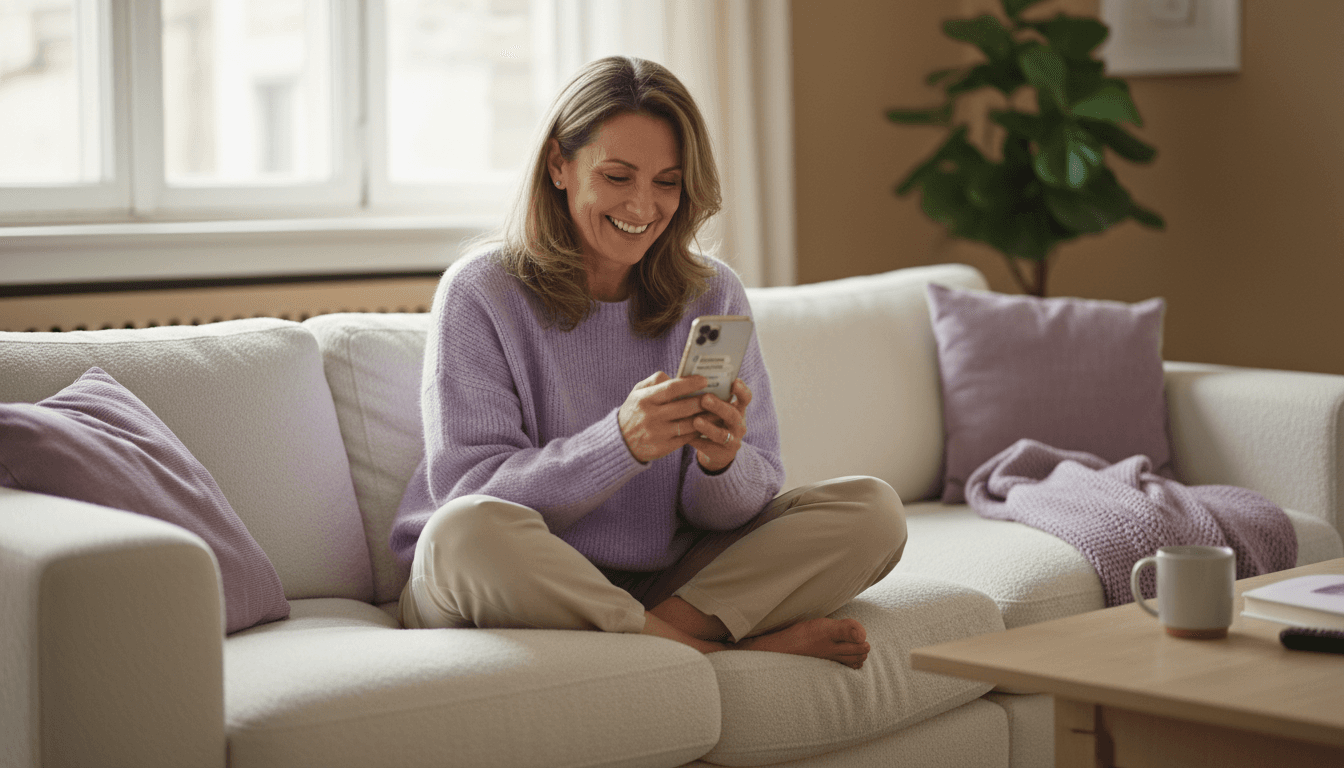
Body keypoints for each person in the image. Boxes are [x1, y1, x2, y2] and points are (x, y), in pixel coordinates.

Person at [391, 56, 906, 669]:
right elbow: (469, 493)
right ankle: (711, 651)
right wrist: (621, 443)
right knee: (464, 534)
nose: (644, 204)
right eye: (617, 176)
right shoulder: (481, 292)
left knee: (872, 513)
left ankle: (659, 634)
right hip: (507, 576)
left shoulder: (713, 293)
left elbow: (737, 511)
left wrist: (719, 464)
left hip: (665, 581)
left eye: (667, 181)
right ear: (559, 164)